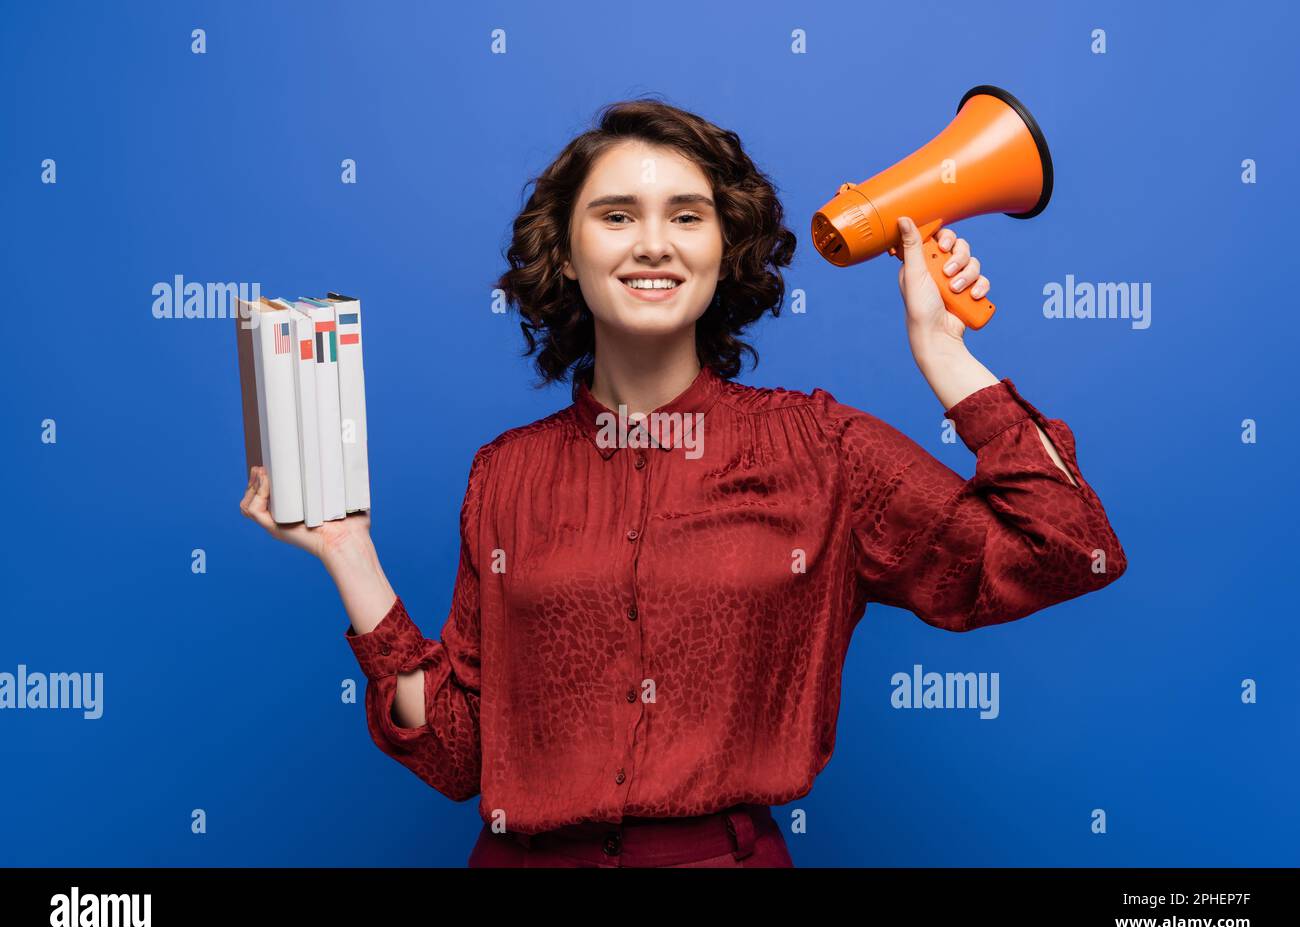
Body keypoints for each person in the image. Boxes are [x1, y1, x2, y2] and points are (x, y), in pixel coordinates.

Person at [239, 98, 1127, 868]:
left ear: (725, 250)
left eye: (687, 216)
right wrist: (350, 554)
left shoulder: (822, 448)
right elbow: (460, 758)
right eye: (617, 216)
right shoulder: (504, 472)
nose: (653, 243)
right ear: (567, 252)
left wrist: (944, 351)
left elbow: (1068, 548)